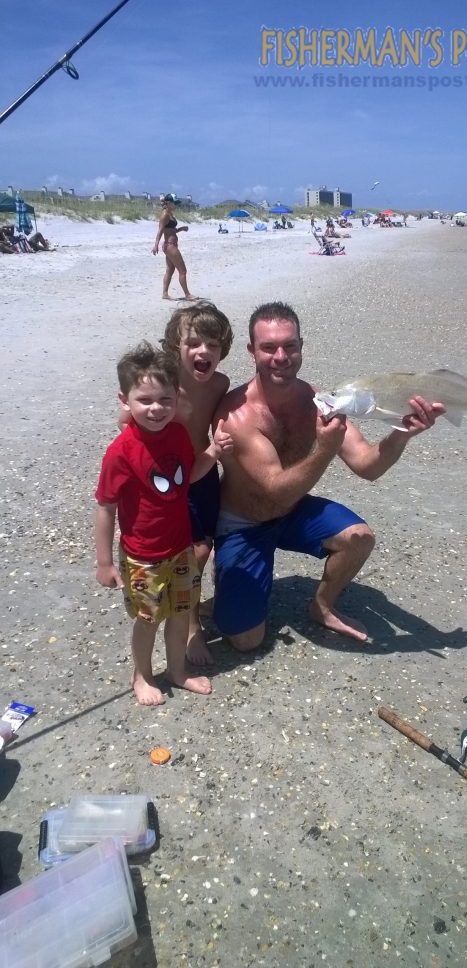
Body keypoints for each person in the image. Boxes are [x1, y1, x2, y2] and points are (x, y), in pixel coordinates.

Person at [211, 301, 445, 651]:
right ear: (251, 351)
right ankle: (226, 571)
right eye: (269, 347)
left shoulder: (315, 400)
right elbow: (273, 489)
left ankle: (321, 605)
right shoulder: (237, 415)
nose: (281, 356)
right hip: (243, 523)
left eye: (289, 346)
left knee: (359, 538)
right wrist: (323, 449)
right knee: (246, 641)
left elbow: (368, 466)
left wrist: (402, 433)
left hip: (290, 510)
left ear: (301, 347)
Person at [95, 341, 232, 705]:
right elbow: (106, 507)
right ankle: (141, 674)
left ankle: (177, 670)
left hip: (181, 548)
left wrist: (214, 453)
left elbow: (189, 475)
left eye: (165, 400)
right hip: (143, 557)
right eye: (145, 400)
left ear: (176, 397)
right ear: (125, 400)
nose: (156, 409)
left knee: (182, 612)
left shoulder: (176, 434)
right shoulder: (120, 452)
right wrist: (105, 562)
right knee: (148, 619)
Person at [160, 302, 233, 665]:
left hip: (205, 471)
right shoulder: (165, 383)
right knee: (196, 551)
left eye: (213, 345)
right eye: (193, 343)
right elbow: (126, 418)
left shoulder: (220, 383)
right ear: (176, 346)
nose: (203, 351)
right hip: (172, 480)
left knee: (216, 540)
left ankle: (201, 600)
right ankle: (189, 625)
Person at [152, 194, 193, 301]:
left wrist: (180, 229)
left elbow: (170, 230)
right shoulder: (165, 215)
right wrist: (155, 245)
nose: (176, 205)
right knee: (183, 271)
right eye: (175, 203)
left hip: (170, 245)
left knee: (170, 270)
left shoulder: (170, 214)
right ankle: (187, 295)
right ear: (169, 203)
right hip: (170, 246)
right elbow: (160, 230)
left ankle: (165, 294)